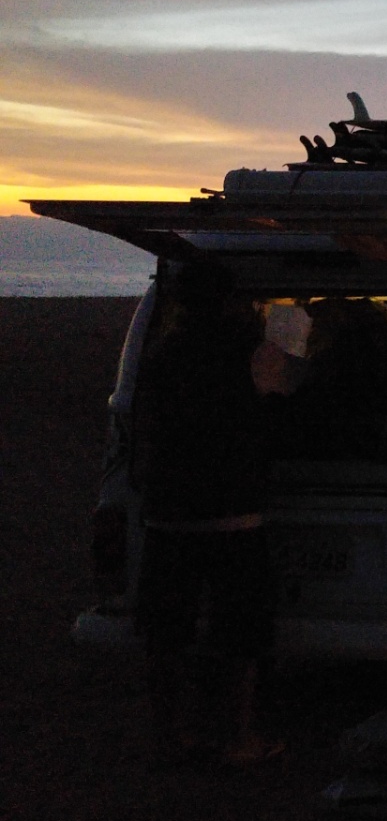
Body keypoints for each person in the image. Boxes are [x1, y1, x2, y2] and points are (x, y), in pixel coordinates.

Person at [134, 259, 287, 766]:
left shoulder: (160, 352)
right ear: (231, 301)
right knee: (241, 633)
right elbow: (289, 399)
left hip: (167, 509)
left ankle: (165, 737)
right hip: (232, 512)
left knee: (166, 632)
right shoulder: (250, 352)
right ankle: (236, 737)